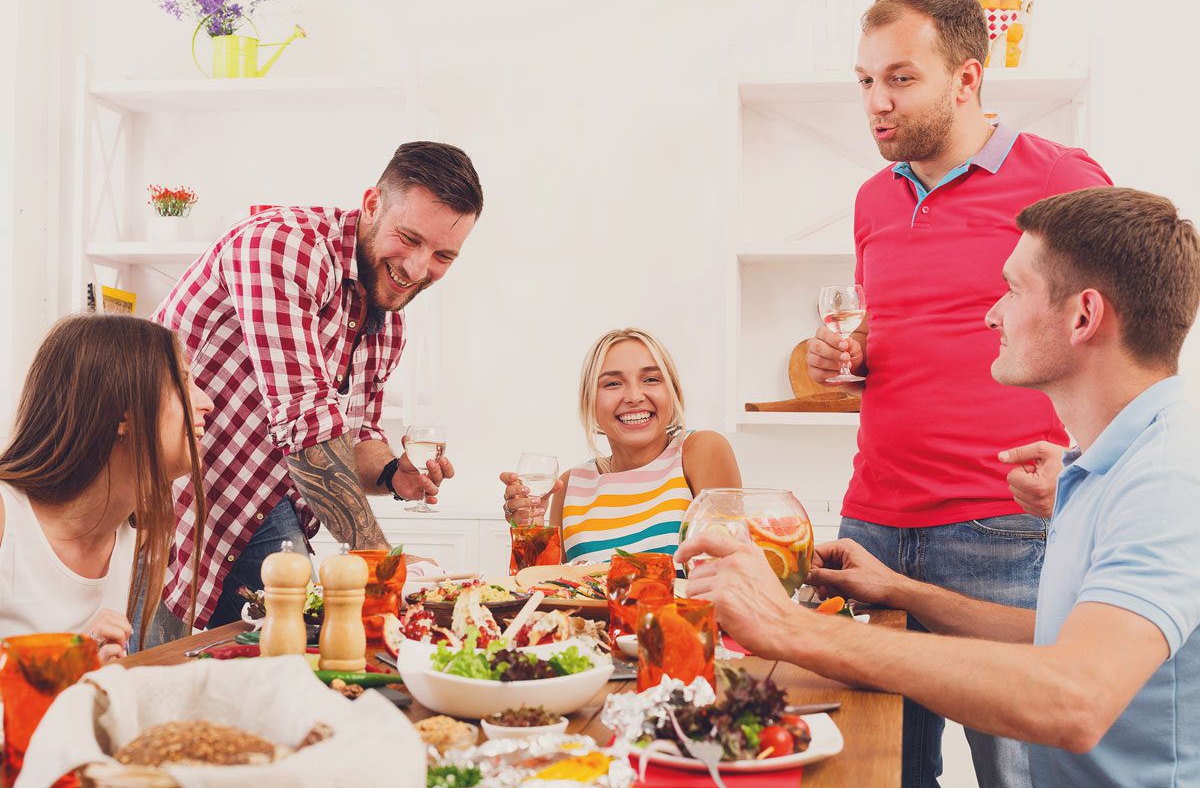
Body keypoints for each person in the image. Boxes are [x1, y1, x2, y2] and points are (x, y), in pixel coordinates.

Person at [684, 186, 1200, 788]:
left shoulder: (1169, 475)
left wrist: (787, 625)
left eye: (1011, 289)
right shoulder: (1100, 465)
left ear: (1083, 316)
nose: (990, 315)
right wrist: (901, 590)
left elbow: (1075, 698)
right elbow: (1062, 636)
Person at [803, 0, 1111, 784]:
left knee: (1019, 776)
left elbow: (1121, 331)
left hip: (1001, 532)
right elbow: (897, 334)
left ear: (967, 78)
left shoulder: (1062, 180)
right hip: (870, 522)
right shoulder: (874, 198)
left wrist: (1089, 467)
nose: (877, 102)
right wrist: (844, 358)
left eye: (901, 79)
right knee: (871, 769)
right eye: (866, 80)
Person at [149, 141, 483, 643]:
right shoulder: (283, 248)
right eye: (409, 238)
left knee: (289, 665)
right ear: (371, 204)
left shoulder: (387, 323)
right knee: (154, 678)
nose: (417, 270)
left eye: (442, 256)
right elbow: (307, 429)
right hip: (175, 495)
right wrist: (380, 562)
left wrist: (395, 474)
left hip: (266, 501)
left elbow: (358, 439)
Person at [0, 315, 213, 663]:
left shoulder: (134, 536)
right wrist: (69, 663)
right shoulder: (5, 517)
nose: (205, 402)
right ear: (124, 412)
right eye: (183, 382)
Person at [500, 328, 741, 562]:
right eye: (613, 384)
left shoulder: (701, 451)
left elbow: (732, 570)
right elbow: (547, 590)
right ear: (590, 401)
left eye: (651, 379)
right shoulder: (570, 485)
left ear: (673, 392)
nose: (635, 396)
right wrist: (528, 531)